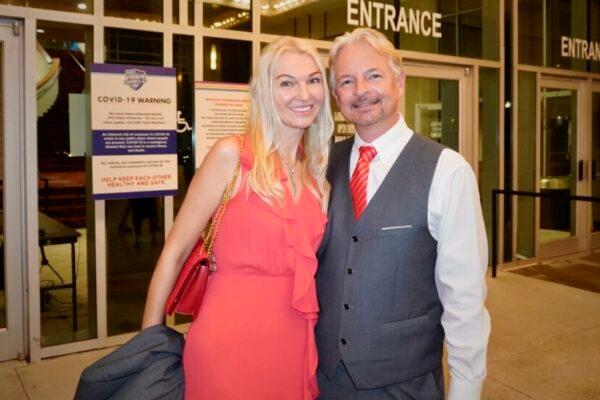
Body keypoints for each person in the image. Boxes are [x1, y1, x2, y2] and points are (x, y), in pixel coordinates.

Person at [141, 36, 333, 400]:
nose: (303, 94)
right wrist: (148, 348)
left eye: (313, 80)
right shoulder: (231, 155)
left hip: (294, 344)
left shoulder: (318, 180)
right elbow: (174, 253)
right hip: (226, 343)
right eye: (286, 82)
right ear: (265, 92)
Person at [315, 28, 490, 400]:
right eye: (347, 81)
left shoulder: (448, 171)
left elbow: (464, 296)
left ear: (399, 81)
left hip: (406, 385)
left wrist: (466, 390)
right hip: (326, 379)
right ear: (336, 96)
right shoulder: (320, 166)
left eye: (373, 75)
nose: (361, 90)